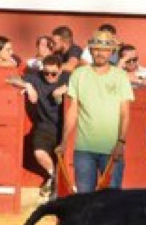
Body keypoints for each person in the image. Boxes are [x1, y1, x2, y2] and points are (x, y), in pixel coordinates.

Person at [57, 30, 134, 193]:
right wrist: (64, 141)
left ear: (111, 52)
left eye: (105, 50)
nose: (100, 53)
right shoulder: (79, 74)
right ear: (91, 50)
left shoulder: (120, 76)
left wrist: (121, 143)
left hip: (112, 148)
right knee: (85, 198)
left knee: (111, 199)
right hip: (84, 148)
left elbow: (125, 113)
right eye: (97, 49)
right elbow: (73, 110)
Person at [7, 53, 70, 198]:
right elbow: (10, 79)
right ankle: (54, 176)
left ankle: (56, 182)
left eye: (53, 73)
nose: (49, 76)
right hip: (45, 125)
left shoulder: (68, 78)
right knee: (39, 152)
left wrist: (68, 88)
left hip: (67, 127)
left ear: (60, 70)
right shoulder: (36, 78)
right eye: (46, 73)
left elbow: (84, 83)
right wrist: (28, 85)